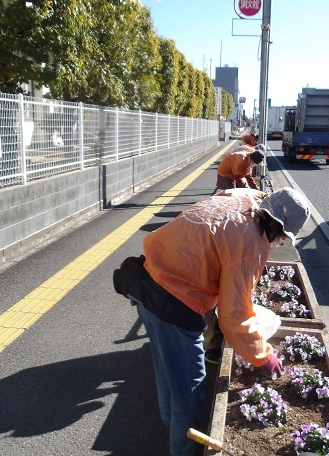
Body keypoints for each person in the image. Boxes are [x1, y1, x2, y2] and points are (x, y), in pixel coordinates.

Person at [126, 187, 310, 456]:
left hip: (147, 279)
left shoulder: (242, 200)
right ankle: (181, 447)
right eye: (282, 236)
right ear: (278, 227)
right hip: (173, 303)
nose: (279, 241)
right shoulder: (250, 244)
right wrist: (262, 355)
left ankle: (172, 425)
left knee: (167, 366)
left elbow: (229, 194)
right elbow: (233, 316)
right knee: (190, 391)